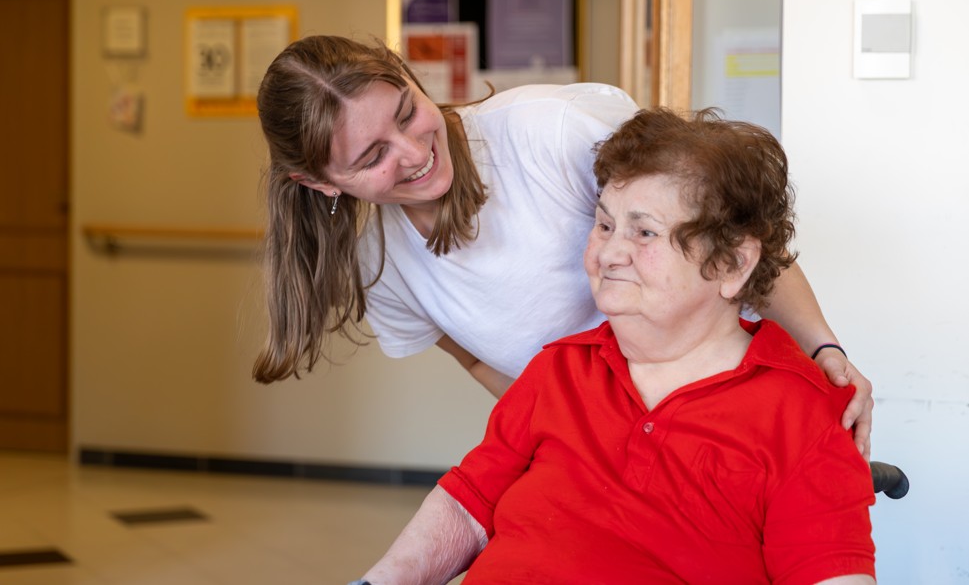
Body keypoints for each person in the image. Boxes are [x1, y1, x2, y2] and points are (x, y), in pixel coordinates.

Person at [254, 35, 873, 458]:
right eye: (372, 156)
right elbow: (478, 361)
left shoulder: (550, 134)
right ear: (316, 182)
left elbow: (736, 238)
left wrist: (823, 348)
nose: (415, 152)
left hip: (727, 407)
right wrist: (579, 437)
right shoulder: (381, 269)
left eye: (407, 112)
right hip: (609, 446)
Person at [355, 107, 876, 584]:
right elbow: (467, 504)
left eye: (644, 234)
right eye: (604, 224)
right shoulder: (558, 370)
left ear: (730, 265)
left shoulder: (801, 413)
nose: (609, 253)